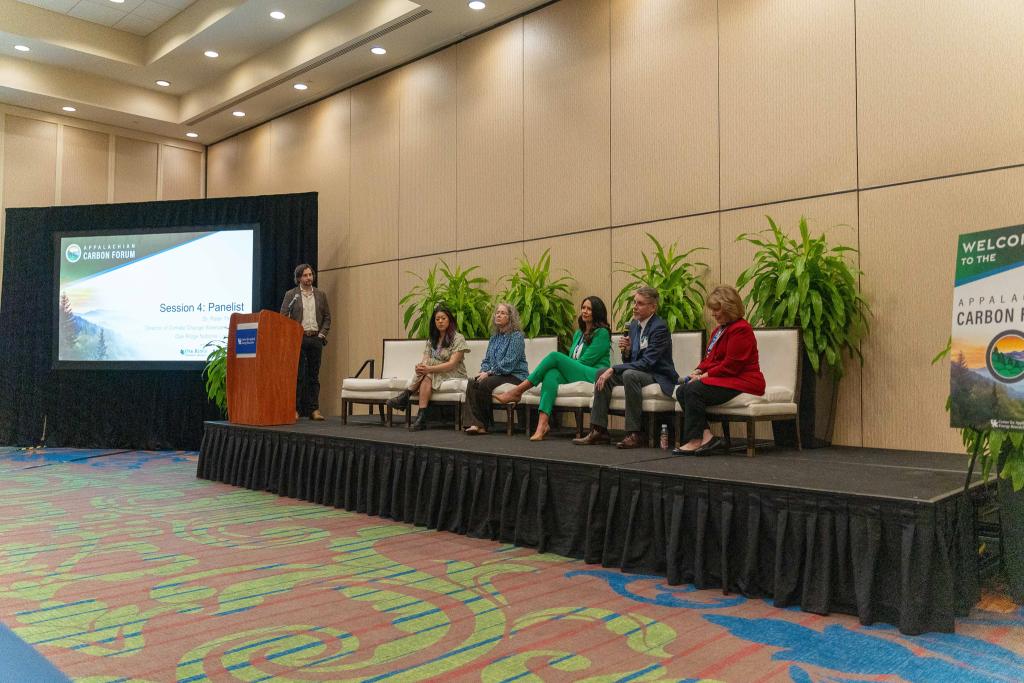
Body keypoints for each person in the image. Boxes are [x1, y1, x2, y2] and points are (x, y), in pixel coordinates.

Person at [573, 286, 678, 449]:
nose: (635, 307)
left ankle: (634, 433)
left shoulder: (659, 327)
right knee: (602, 373)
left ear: (653, 307)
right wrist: (627, 351)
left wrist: (614, 368)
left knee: (629, 374)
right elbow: (632, 359)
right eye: (634, 302)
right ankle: (599, 430)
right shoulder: (635, 326)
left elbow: (648, 362)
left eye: (640, 304)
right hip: (639, 371)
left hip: (657, 374)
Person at [495, 296, 612, 441]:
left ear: (597, 312)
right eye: (583, 308)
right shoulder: (578, 334)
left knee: (555, 357)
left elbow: (585, 362)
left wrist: (565, 364)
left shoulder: (602, 333)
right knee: (551, 373)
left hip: (594, 374)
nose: (585, 311)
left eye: (589, 309)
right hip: (578, 371)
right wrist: (566, 365)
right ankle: (542, 425)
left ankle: (518, 390)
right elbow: (574, 361)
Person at [673, 285, 765, 455]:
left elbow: (732, 365)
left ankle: (694, 440)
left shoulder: (741, 329)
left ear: (729, 308)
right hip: (726, 377)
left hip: (742, 380)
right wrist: (698, 371)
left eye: (716, 310)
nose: (713, 314)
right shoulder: (719, 330)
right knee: (682, 391)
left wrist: (704, 377)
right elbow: (710, 359)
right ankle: (707, 437)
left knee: (693, 389)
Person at [386, 305, 470, 431]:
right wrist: (420, 367)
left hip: (454, 372)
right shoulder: (432, 339)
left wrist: (428, 368)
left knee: (428, 370)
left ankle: (406, 395)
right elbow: (425, 359)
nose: (440, 321)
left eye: (443, 318)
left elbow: (452, 364)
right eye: (437, 319)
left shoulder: (458, 338)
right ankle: (421, 418)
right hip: (433, 372)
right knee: (426, 375)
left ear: (450, 320)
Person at [463, 303, 529, 435]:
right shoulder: (494, 338)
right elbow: (487, 360)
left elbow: (508, 363)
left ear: (510, 317)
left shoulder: (516, 336)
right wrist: (483, 371)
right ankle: (475, 424)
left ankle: (484, 425)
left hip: (515, 375)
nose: (498, 315)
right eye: (497, 312)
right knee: (472, 382)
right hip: (498, 374)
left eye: (503, 313)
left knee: (485, 383)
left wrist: (488, 373)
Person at [280, 263, 331, 421]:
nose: (309, 278)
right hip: (298, 339)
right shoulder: (291, 295)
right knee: (299, 376)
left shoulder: (320, 294)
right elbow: (283, 316)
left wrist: (322, 335)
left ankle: (314, 410)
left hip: (315, 338)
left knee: (313, 376)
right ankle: (295, 409)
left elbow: (327, 317)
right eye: (305, 275)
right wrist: (292, 336)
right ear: (298, 278)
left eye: (310, 275)